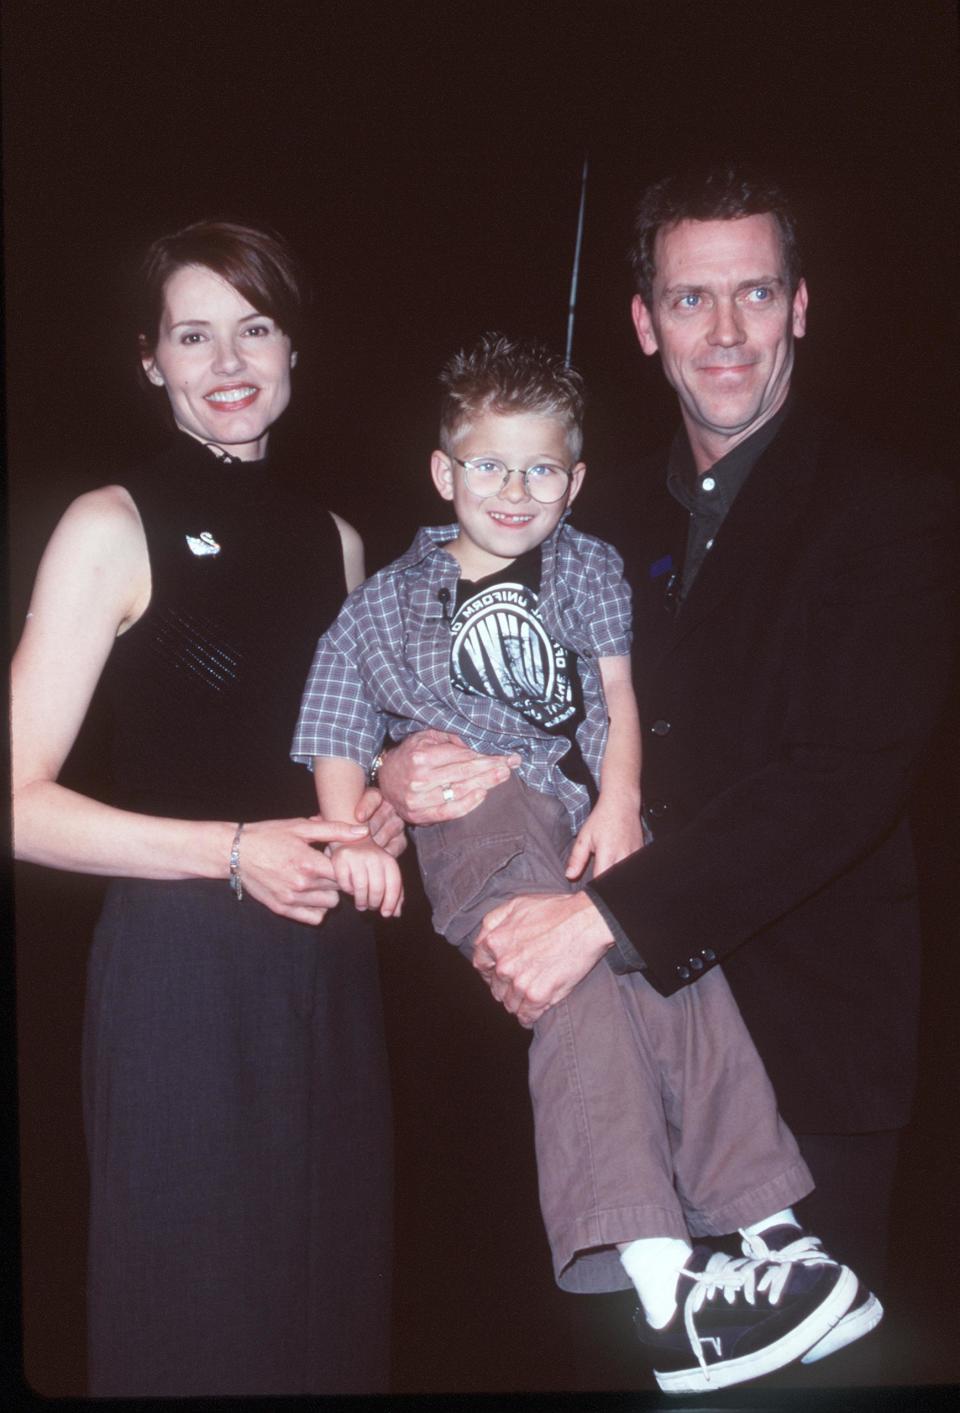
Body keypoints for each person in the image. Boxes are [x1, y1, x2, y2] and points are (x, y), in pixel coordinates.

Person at [376, 167, 957, 1381]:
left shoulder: (897, 511)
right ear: (645, 324)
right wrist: (406, 762)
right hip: (615, 1060)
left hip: (810, 1054)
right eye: (692, 300)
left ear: (800, 304)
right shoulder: (579, 513)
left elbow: (841, 783)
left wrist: (598, 917)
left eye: (755, 293)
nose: (727, 332)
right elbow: (497, 684)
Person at [292, 333, 883, 1394]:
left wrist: (620, 802)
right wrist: (353, 836)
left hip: (580, 810)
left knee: (674, 964)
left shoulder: (588, 566)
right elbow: (333, 724)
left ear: (573, 479)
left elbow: (617, 702)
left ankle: (768, 1224)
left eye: (541, 469)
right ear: (444, 473)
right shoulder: (383, 602)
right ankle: (662, 1282)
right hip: (477, 817)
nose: (514, 491)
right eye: (489, 465)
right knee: (584, 1005)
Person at [10, 221, 399, 1397]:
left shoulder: (337, 542)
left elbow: (323, 762)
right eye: (194, 333)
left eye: (255, 326)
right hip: (178, 972)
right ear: (151, 361)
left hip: (326, 972)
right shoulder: (108, 524)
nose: (229, 360)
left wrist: (379, 814)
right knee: (196, 1333)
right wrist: (230, 854)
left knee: (329, 1325)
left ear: (292, 348)